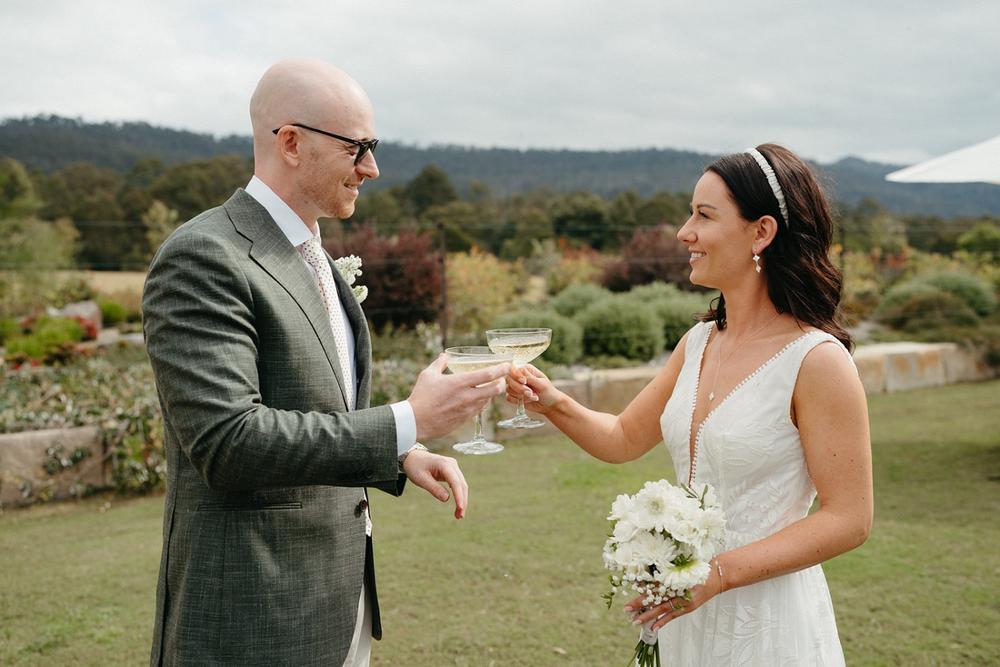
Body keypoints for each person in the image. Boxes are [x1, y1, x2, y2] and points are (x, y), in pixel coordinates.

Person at [142, 59, 509, 667]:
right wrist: (406, 420)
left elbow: (314, 410)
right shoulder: (203, 256)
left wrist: (401, 454)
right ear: (290, 142)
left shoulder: (314, 255)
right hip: (255, 613)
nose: (373, 167)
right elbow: (228, 442)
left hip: (337, 603)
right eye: (357, 148)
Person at [508, 144, 872, 665]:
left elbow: (850, 519)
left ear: (761, 232)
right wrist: (552, 402)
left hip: (768, 621)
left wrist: (719, 574)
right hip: (685, 614)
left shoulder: (817, 362)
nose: (684, 232)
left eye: (704, 215)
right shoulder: (698, 342)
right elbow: (623, 439)